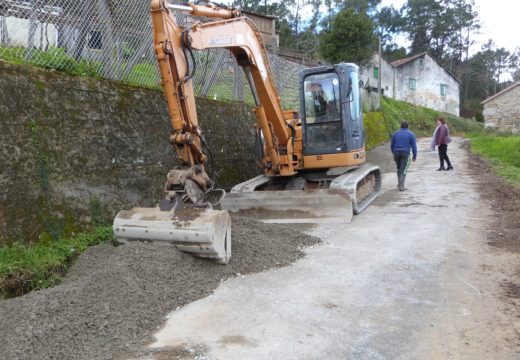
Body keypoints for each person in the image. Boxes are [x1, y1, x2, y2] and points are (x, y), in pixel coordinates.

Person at [391, 121, 417, 191]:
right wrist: (414, 156)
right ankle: (401, 186)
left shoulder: (395, 133)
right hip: (405, 153)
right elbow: (414, 146)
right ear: (408, 126)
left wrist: (393, 152)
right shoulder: (411, 134)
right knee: (403, 169)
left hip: (396, 152)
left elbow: (392, 145)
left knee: (399, 168)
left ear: (400, 126)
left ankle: (399, 183)